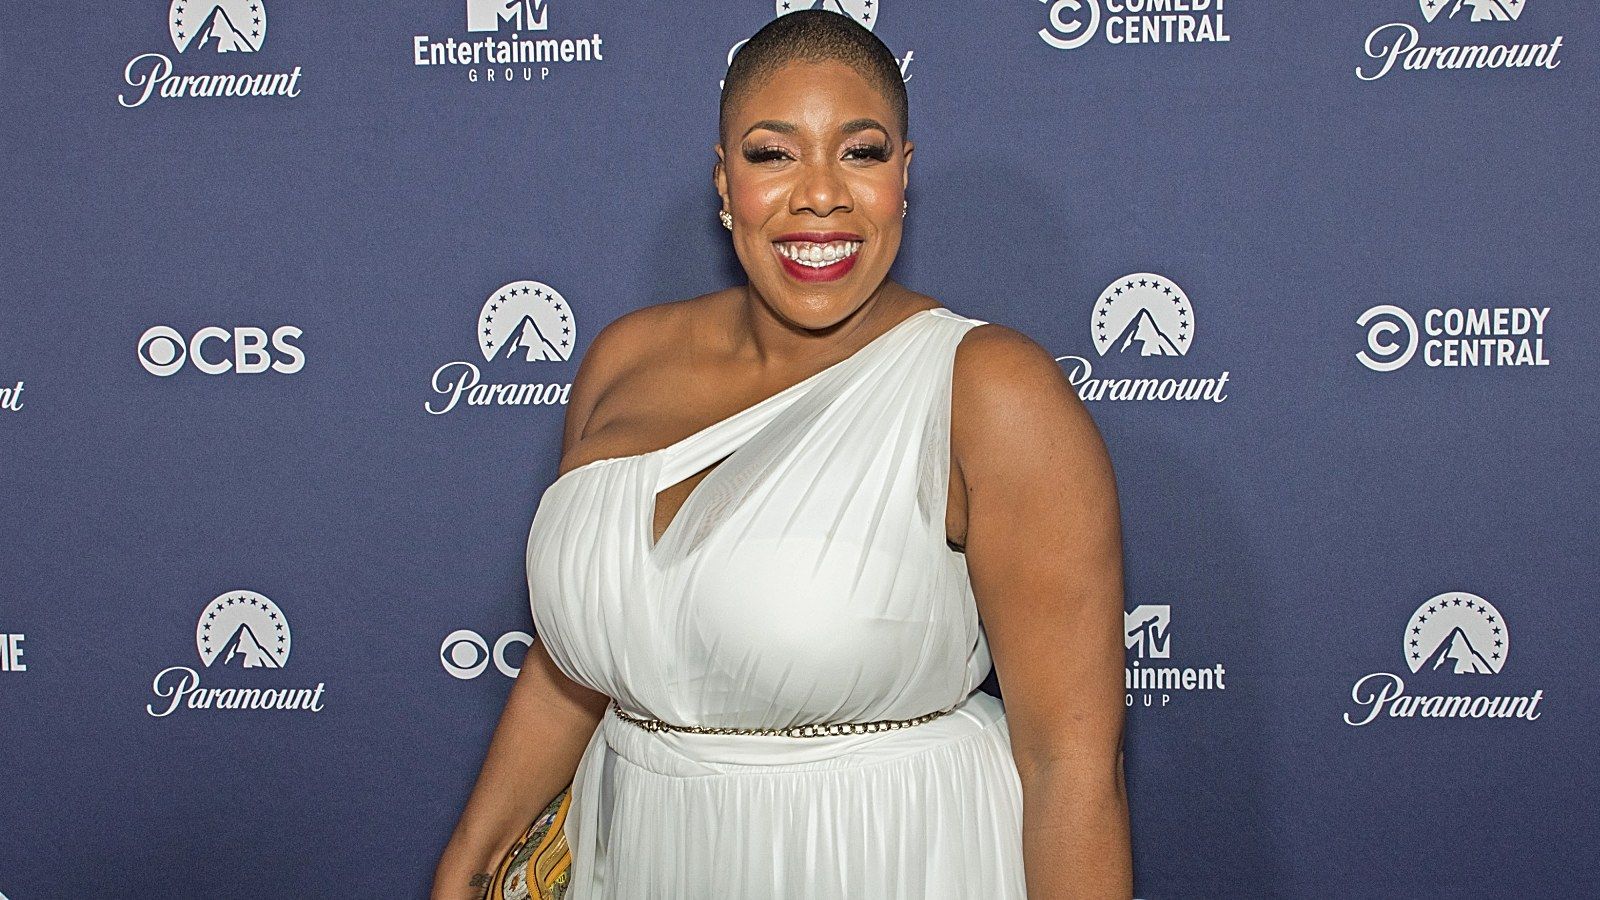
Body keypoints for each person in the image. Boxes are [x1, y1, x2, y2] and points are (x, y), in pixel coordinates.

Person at [433, 10, 1131, 899]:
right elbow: (580, 657)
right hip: (637, 859)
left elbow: (1072, 767)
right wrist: (472, 858)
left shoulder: (989, 390)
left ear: (904, 179)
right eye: (773, 154)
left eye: (862, 152)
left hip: (889, 861)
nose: (821, 195)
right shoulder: (622, 359)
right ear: (724, 182)